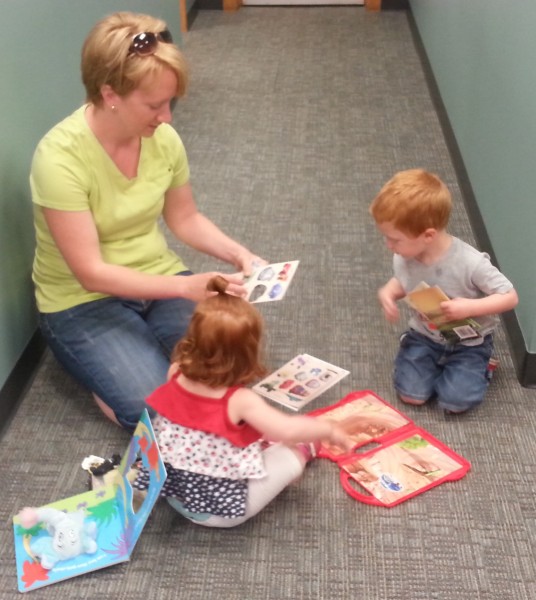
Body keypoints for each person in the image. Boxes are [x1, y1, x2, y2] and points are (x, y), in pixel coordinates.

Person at [30, 12, 264, 431]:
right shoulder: (59, 158)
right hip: (82, 304)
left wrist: (239, 254)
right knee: (163, 410)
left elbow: (185, 218)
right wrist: (185, 287)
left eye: (169, 103)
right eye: (154, 105)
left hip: (158, 279)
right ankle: (106, 379)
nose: (167, 118)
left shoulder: (163, 139)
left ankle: (133, 362)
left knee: (227, 376)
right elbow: (91, 273)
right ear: (109, 94)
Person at [133, 276, 353, 528]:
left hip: (174, 495)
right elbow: (289, 429)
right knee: (291, 454)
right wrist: (329, 430)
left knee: (238, 438)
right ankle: (304, 452)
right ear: (247, 354)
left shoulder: (176, 371)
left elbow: (195, 419)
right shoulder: (240, 401)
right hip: (222, 514)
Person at [369, 169, 518, 415]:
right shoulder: (404, 256)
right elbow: (402, 280)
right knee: (412, 396)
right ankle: (417, 349)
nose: (389, 246)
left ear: (428, 235)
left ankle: (484, 365)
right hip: (426, 334)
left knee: (455, 402)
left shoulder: (471, 263)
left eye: (394, 239)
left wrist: (469, 307)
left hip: (470, 342)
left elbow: (510, 296)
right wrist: (388, 293)